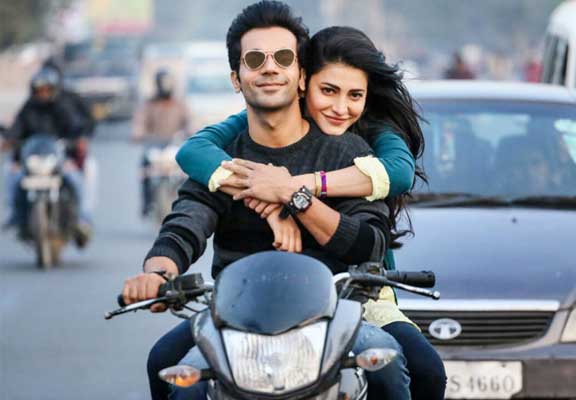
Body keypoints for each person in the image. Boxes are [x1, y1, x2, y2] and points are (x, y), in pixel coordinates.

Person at [121, 2, 411, 399]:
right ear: (236, 79)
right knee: (168, 369)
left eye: (284, 58)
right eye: (255, 60)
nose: (270, 68)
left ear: (302, 76)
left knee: (391, 367)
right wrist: (157, 273)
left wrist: (296, 197)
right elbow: (184, 224)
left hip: (334, 316)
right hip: (235, 319)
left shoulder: (347, 152)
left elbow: (370, 243)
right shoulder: (223, 160)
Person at [175, 26, 447, 400]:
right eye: (328, 91)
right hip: (253, 302)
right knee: (168, 367)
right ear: (303, 83)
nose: (341, 107)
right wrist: (270, 202)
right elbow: (193, 152)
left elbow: (399, 173)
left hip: (355, 295)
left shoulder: (367, 134)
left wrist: (292, 189)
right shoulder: (258, 127)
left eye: (355, 95)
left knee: (425, 370)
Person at [2, 66, 92, 244]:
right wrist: (9, 141)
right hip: (33, 161)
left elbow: (74, 128)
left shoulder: (62, 108)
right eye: (39, 90)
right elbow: (16, 130)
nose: (43, 94)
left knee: (76, 179)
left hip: (60, 159)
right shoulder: (28, 109)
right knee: (11, 174)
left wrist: (77, 141)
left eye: (46, 90)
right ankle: (14, 214)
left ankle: (83, 218)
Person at [132, 69, 190, 216]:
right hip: (154, 147)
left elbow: (190, 122)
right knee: (145, 172)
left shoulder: (179, 104)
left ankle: (188, 202)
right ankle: (146, 203)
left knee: (188, 170)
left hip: (174, 146)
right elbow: (140, 122)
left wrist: (191, 131)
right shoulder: (149, 104)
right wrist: (138, 133)